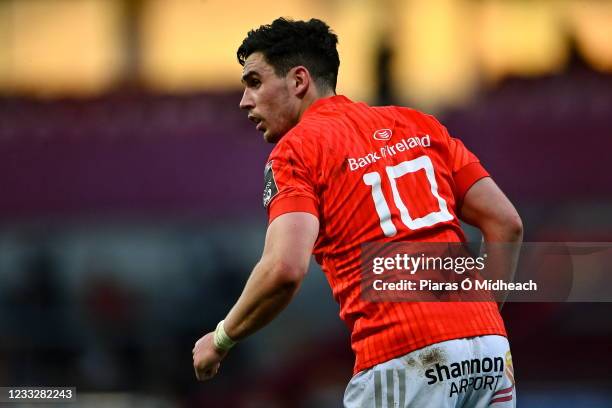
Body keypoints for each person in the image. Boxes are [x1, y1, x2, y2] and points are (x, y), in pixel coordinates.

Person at [192, 17, 523, 408]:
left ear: (299, 81)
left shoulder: (296, 151)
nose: (244, 101)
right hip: (489, 353)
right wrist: (474, 320)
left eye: (254, 82)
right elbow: (506, 223)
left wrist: (221, 338)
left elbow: (284, 268)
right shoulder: (420, 125)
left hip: (404, 355)